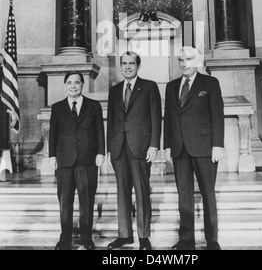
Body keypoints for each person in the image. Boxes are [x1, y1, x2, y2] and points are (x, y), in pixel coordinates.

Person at [164, 47, 224, 251]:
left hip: (205, 148)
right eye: (181, 59)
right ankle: (186, 239)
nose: (184, 63)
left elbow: (217, 115)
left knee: (208, 194)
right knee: (184, 196)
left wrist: (218, 145)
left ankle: (212, 239)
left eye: (188, 59)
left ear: (197, 61)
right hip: (179, 149)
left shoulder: (210, 83)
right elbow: (169, 119)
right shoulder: (171, 87)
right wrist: (166, 146)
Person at [107, 52, 162, 251]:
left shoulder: (149, 86)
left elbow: (156, 116)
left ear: (138, 66)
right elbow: (112, 121)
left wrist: (154, 145)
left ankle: (143, 236)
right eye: (124, 63)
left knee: (141, 191)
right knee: (122, 192)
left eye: (131, 63)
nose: (127, 67)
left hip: (140, 147)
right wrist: (109, 149)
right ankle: (124, 235)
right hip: (119, 148)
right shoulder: (114, 91)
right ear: (120, 66)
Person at [49, 72, 105, 251]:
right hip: (64, 160)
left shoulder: (94, 106)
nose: (73, 86)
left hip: (87, 160)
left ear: (82, 85)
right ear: (65, 85)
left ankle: (86, 239)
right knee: (65, 201)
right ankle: (64, 239)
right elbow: (53, 133)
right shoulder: (57, 107)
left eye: (77, 83)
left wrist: (101, 152)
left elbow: (99, 131)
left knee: (86, 201)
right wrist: (51, 156)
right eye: (70, 83)